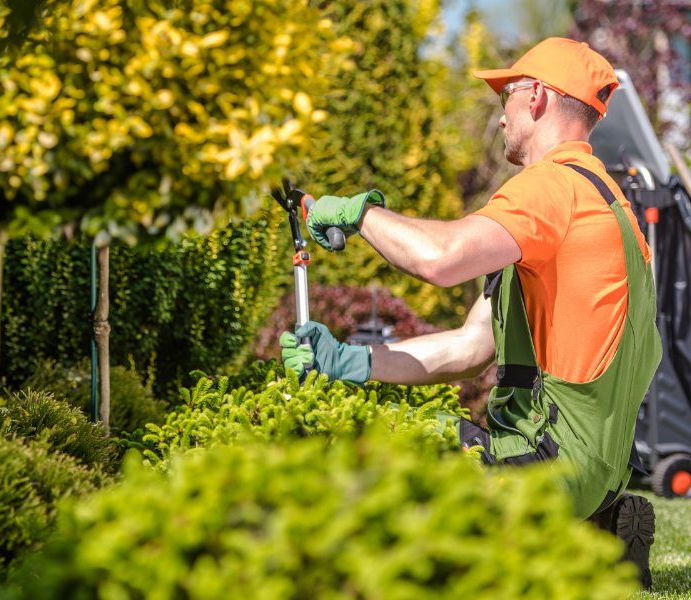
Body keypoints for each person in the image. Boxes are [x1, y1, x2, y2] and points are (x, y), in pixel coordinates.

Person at [279, 38, 661, 524]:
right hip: (598, 476)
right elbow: (469, 348)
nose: (502, 117)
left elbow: (440, 259)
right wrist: (345, 359)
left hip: (544, 465)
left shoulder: (552, 186)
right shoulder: (612, 207)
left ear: (537, 97)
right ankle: (601, 528)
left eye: (507, 97)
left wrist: (358, 213)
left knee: (378, 439)